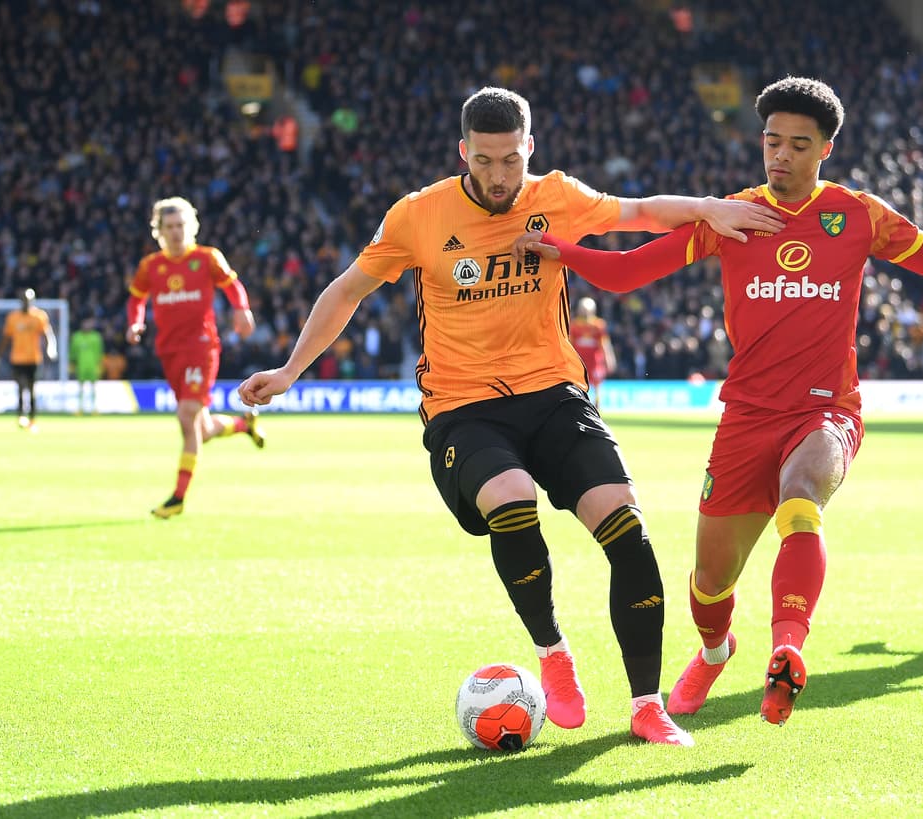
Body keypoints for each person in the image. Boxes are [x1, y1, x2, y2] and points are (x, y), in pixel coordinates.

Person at [236, 87, 785, 746]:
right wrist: (292, 369)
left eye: (510, 161)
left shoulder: (555, 196)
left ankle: (646, 704)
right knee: (512, 497)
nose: (499, 176)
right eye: (485, 161)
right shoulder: (419, 215)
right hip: (463, 407)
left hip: (553, 394)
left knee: (627, 527)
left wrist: (706, 208)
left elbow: (637, 212)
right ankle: (553, 651)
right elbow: (348, 286)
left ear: (530, 148)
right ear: (464, 151)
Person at [514, 76, 923, 725]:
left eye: (797, 145)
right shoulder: (732, 215)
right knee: (709, 585)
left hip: (827, 409)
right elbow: (633, 270)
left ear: (825, 149)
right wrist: (561, 253)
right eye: (772, 141)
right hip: (746, 416)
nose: (779, 155)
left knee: (802, 495)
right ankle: (716, 650)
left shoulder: (859, 215)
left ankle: (786, 650)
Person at [126, 196, 265, 519]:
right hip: (169, 351)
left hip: (201, 348)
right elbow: (136, 299)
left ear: (192, 227)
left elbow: (232, 285)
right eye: (169, 227)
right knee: (199, 429)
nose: (176, 232)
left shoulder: (206, 258)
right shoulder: (151, 266)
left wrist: (241, 309)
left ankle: (177, 497)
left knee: (186, 415)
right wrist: (135, 322)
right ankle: (243, 426)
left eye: (181, 226)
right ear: (158, 231)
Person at [0, 288, 56, 431]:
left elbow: (47, 333)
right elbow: (6, 338)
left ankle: (32, 420)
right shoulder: (13, 317)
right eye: (25, 300)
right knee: (20, 388)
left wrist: (51, 348)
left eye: (29, 300)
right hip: (17, 359)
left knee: (31, 390)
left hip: (33, 359)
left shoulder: (39, 316)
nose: (27, 303)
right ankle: (21, 416)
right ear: (21, 301)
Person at [569, 296, 617, 409]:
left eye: (587, 309)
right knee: (579, 381)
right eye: (583, 309)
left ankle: (597, 404)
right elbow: (570, 344)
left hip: (595, 360)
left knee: (597, 383)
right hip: (580, 360)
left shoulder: (598, 325)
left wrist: (609, 358)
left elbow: (604, 343)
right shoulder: (575, 325)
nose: (585, 311)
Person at [69, 317, 105, 415]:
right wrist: (72, 364)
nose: (87, 325)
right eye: (86, 322)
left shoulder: (96, 337)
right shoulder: (77, 337)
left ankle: (94, 408)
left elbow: (100, 352)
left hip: (93, 366)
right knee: (80, 388)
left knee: (94, 388)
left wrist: (100, 365)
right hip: (81, 366)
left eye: (89, 322)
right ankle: (80, 408)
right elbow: (73, 352)